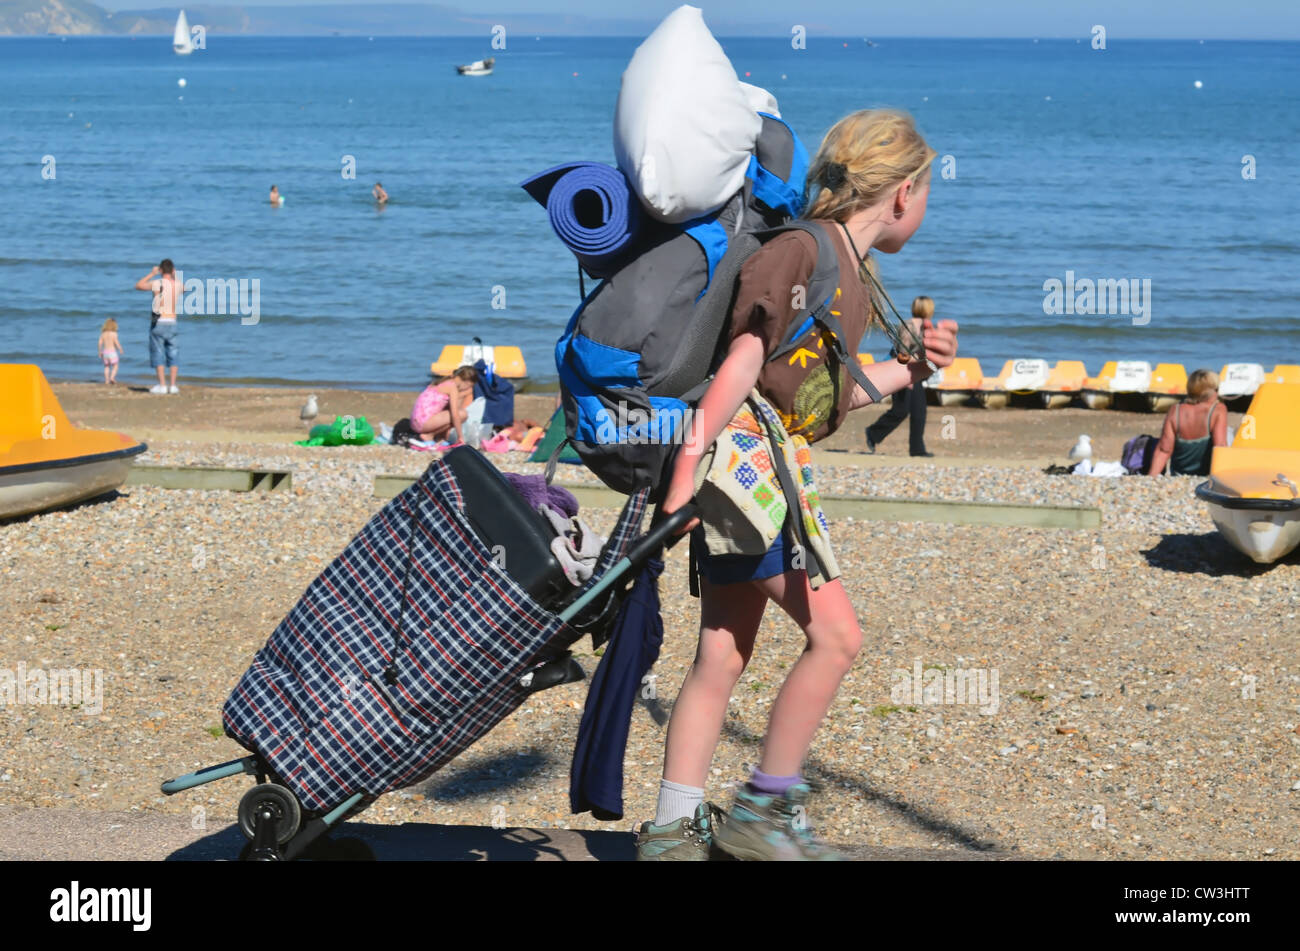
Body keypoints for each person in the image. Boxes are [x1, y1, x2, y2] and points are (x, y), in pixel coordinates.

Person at [641, 109, 959, 860]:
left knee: (720, 651)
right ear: (905, 192)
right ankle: (765, 808)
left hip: (758, 464)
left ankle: (671, 831)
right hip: (747, 471)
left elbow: (826, 399)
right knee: (838, 636)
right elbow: (743, 362)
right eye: (928, 194)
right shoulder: (805, 251)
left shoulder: (847, 268)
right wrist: (686, 473)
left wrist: (911, 370)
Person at [865, 295, 935, 457]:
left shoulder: (925, 327)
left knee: (919, 412)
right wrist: (909, 376)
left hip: (914, 373)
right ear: (927, 309)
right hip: (902, 372)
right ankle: (873, 433)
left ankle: (917, 449)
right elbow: (902, 356)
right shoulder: (910, 326)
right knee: (900, 410)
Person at [1147, 368, 1228, 476]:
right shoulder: (1218, 410)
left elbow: (1164, 450)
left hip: (1179, 475)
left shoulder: (1175, 410)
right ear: (1211, 391)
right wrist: (1224, 477)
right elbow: (1220, 446)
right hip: (1205, 475)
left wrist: (1150, 478)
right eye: (1217, 389)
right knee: (1229, 433)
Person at [134, 259, 181, 394]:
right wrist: (175, 275)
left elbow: (138, 285)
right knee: (173, 352)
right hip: (172, 321)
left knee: (158, 352)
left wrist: (152, 273)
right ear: (172, 271)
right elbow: (183, 289)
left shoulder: (157, 283)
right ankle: (172, 385)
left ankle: (162, 385)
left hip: (159, 322)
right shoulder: (177, 284)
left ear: (161, 270)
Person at [411, 366, 477, 442]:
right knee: (463, 414)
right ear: (467, 382)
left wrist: (463, 395)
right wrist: (460, 437)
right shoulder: (452, 387)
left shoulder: (445, 381)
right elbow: (455, 415)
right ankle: (429, 435)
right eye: (470, 386)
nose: (468, 388)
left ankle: (440, 438)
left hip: (416, 422)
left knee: (451, 411)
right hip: (422, 423)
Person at [97, 318, 124, 385]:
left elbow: (99, 343)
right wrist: (120, 349)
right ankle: (112, 377)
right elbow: (116, 342)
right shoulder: (114, 333)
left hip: (105, 352)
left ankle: (106, 380)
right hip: (112, 352)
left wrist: (100, 351)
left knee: (106, 366)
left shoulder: (103, 334)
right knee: (115, 366)